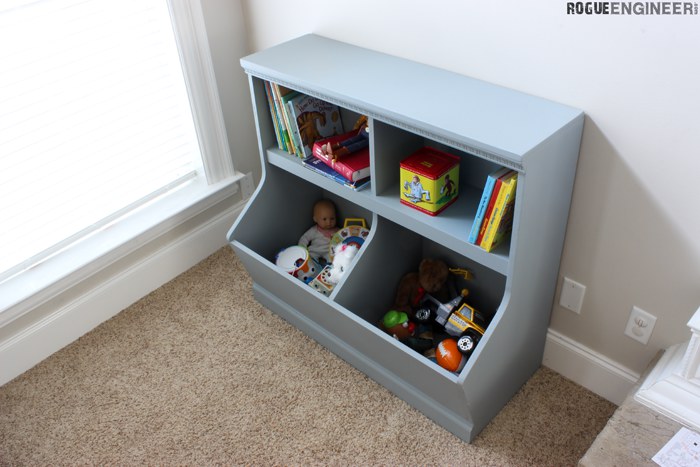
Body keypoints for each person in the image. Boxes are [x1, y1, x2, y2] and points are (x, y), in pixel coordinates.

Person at [298, 199, 339, 264]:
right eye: (324, 219)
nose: (329, 222)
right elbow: (304, 238)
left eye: (332, 218)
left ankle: (329, 270)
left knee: (334, 260)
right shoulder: (314, 230)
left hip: (328, 251)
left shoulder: (337, 230)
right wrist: (302, 248)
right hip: (315, 250)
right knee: (309, 259)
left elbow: (342, 239)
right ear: (315, 219)